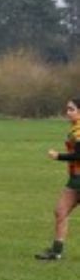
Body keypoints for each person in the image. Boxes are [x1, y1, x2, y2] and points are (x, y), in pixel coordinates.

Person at [35, 97, 80, 260]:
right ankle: (56, 252)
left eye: (71, 109)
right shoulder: (75, 128)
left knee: (61, 211)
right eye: (67, 109)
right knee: (60, 211)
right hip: (75, 179)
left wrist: (58, 156)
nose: (67, 112)